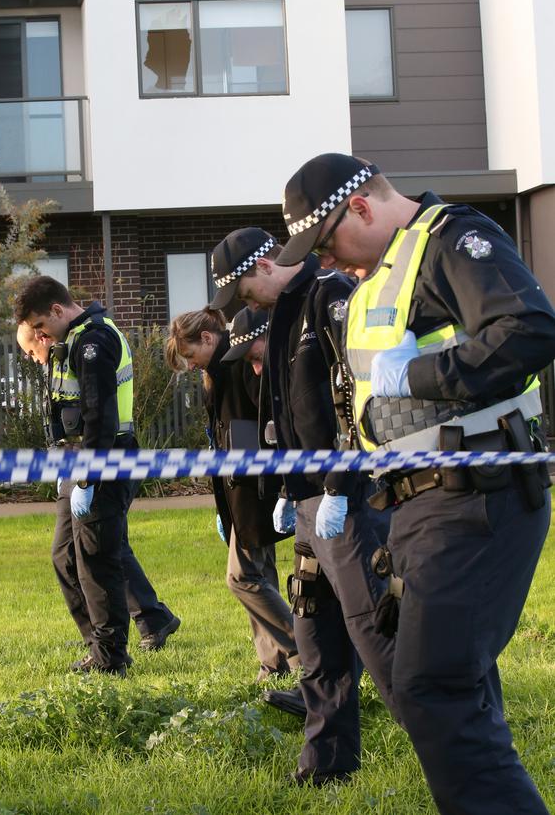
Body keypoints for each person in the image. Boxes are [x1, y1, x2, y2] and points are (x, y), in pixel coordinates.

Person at [277, 152, 555, 814]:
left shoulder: (452, 239)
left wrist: (423, 376)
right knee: (452, 686)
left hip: (475, 493)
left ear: (363, 207)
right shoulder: (382, 275)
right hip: (420, 505)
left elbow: (531, 329)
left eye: (326, 241)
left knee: (432, 686)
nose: (327, 261)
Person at [209, 227, 396, 786]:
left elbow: (354, 399)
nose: (243, 304)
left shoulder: (331, 297)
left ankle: (447, 740)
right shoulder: (288, 312)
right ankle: (325, 764)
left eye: (242, 291)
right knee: (316, 634)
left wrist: (339, 485)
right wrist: (290, 492)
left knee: (375, 630)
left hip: (347, 498)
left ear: (263, 264)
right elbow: (290, 417)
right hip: (309, 503)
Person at [14, 278, 180, 675]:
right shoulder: (70, 341)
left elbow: (99, 416)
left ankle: (111, 656)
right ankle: (100, 645)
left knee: (97, 559)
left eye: (40, 327)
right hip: (77, 463)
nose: (40, 337)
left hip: (105, 461)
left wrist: (87, 480)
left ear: (57, 310)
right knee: (66, 556)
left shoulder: (95, 340)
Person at [165, 307, 303, 701]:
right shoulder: (221, 370)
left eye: (191, 356)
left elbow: (266, 424)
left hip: (255, 489)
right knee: (261, 575)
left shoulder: (243, 364)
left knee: (242, 578)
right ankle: (273, 662)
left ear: (208, 338)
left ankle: (303, 652)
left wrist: (282, 490)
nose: (191, 366)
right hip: (237, 490)